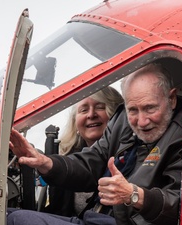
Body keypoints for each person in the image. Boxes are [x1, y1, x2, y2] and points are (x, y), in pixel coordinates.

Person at [8, 63, 182, 225]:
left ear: (171, 99)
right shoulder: (122, 121)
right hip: (96, 218)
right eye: (133, 110)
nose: (141, 121)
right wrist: (45, 162)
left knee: (17, 220)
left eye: (150, 108)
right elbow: (91, 163)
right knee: (4, 215)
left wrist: (134, 195)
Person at [43, 86, 124, 217]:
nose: (91, 115)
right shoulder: (65, 163)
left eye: (100, 107)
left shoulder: (126, 157)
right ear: (75, 123)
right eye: (84, 110)